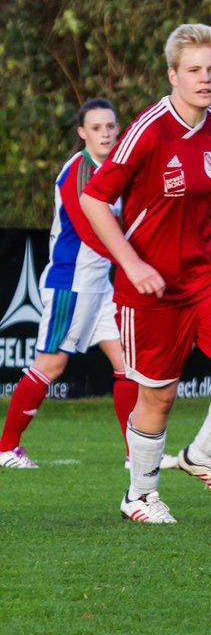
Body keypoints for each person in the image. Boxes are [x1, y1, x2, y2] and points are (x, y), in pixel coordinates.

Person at [80, 23, 211, 524]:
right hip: (151, 288)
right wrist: (132, 261)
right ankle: (139, 496)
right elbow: (94, 198)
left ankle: (202, 455)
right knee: (158, 396)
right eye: (193, 70)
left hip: (205, 276)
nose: (205, 79)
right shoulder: (149, 129)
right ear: (173, 75)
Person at [0, 98, 138, 468]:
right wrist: (134, 263)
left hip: (104, 286)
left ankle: (135, 455)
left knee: (127, 364)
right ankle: (6, 448)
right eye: (96, 128)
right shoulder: (77, 171)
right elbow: (92, 232)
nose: (105, 133)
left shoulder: (120, 170)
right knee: (50, 365)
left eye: (110, 126)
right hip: (71, 283)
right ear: (82, 133)